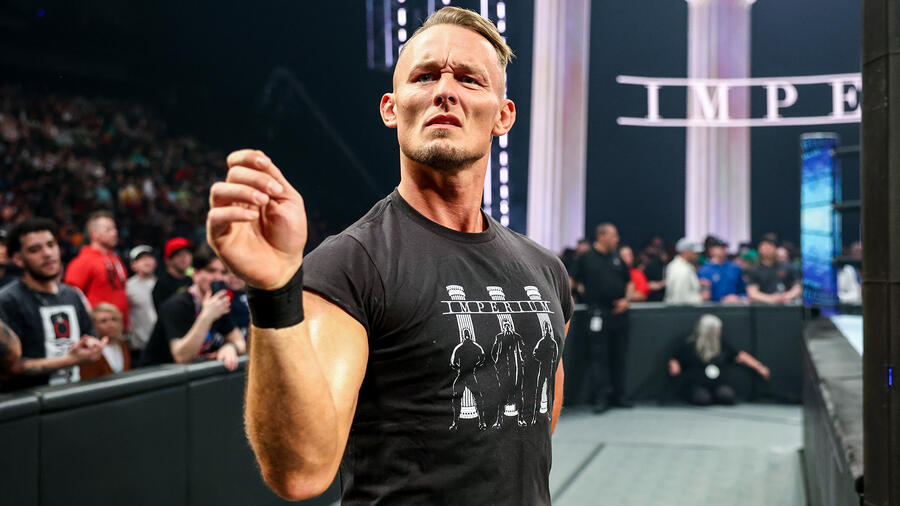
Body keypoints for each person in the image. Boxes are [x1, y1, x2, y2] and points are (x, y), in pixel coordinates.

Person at [206, 7, 572, 504]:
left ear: (503, 116)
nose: (445, 91)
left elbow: (535, 421)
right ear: (391, 108)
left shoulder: (546, 271)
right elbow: (300, 472)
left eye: (469, 79)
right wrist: (274, 290)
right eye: (425, 76)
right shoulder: (350, 264)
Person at [0, 218, 107, 392]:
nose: (47, 253)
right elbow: (9, 367)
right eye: (35, 249)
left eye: (51, 245)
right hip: (29, 401)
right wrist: (69, 360)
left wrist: (91, 345)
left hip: (72, 394)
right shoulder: (8, 301)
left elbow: (89, 335)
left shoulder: (72, 295)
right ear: (18, 259)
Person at [139, 244, 245, 370]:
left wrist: (230, 347)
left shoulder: (217, 303)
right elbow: (181, 357)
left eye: (224, 272)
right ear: (195, 274)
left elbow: (240, 342)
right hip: (156, 375)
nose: (218, 278)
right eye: (211, 271)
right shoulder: (176, 305)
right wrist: (207, 316)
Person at [571, 223, 633, 412]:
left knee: (619, 355)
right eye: (613, 235)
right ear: (601, 236)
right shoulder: (586, 258)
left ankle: (619, 395)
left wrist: (627, 300)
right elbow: (571, 281)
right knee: (599, 357)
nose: (617, 239)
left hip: (619, 313)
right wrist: (570, 298)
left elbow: (629, 282)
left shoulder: (617, 258)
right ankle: (600, 398)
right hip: (597, 311)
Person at [668, 314, 770, 405]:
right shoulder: (689, 345)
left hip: (717, 383)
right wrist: (675, 367)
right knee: (702, 399)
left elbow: (741, 356)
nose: (719, 332)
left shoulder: (722, 344)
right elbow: (675, 360)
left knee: (727, 397)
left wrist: (759, 367)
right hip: (697, 384)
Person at [63, 210, 130, 328]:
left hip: (120, 329)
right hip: (97, 329)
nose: (115, 233)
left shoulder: (115, 258)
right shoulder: (83, 260)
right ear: (94, 234)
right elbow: (71, 295)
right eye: (108, 229)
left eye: (114, 228)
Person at [80, 303, 131, 380]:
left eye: (114, 319)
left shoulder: (123, 345)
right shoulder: (91, 351)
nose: (111, 325)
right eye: (103, 321)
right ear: (93, 325)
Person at [126, 245, 158, 362]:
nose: (146, 261)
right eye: (141, 259)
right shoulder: (127, 287)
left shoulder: (163, 284)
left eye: (149, 257)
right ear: (133, 265)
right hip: (139, 347)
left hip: (161, 344)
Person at [746, 237, 801, 304]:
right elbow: (752, 292)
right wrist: (771, 299)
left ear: (775, 248)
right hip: (762, 306)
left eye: (770, 246)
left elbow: (797, 287)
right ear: (760, 250)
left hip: (786, 304)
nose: (768, 249)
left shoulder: (787, 267)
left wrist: (787, 296)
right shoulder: (754, 270)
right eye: (765, 247)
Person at [697, 237, 745, 303]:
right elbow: (703, 294)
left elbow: (743, 290)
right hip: (713, 306)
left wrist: (739, 297)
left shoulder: (735, 268)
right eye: (719, 248)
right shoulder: (704, 270)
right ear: (711, 250)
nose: (723, 250)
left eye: (724, 248)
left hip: (734, 305)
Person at [151, 237, 193, 309]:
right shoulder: (162, 284)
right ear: (168, 260)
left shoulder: (191, 280)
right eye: (179, 254)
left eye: (187, 253)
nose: (184, 258)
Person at [664, 238, 703, 305]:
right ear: (685, 252)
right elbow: (680, 299)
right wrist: (701, 297)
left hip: (681, 309)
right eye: (695, 252)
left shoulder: (683, 266)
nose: (698, 255)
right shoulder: (680, 269)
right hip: (679, 310)